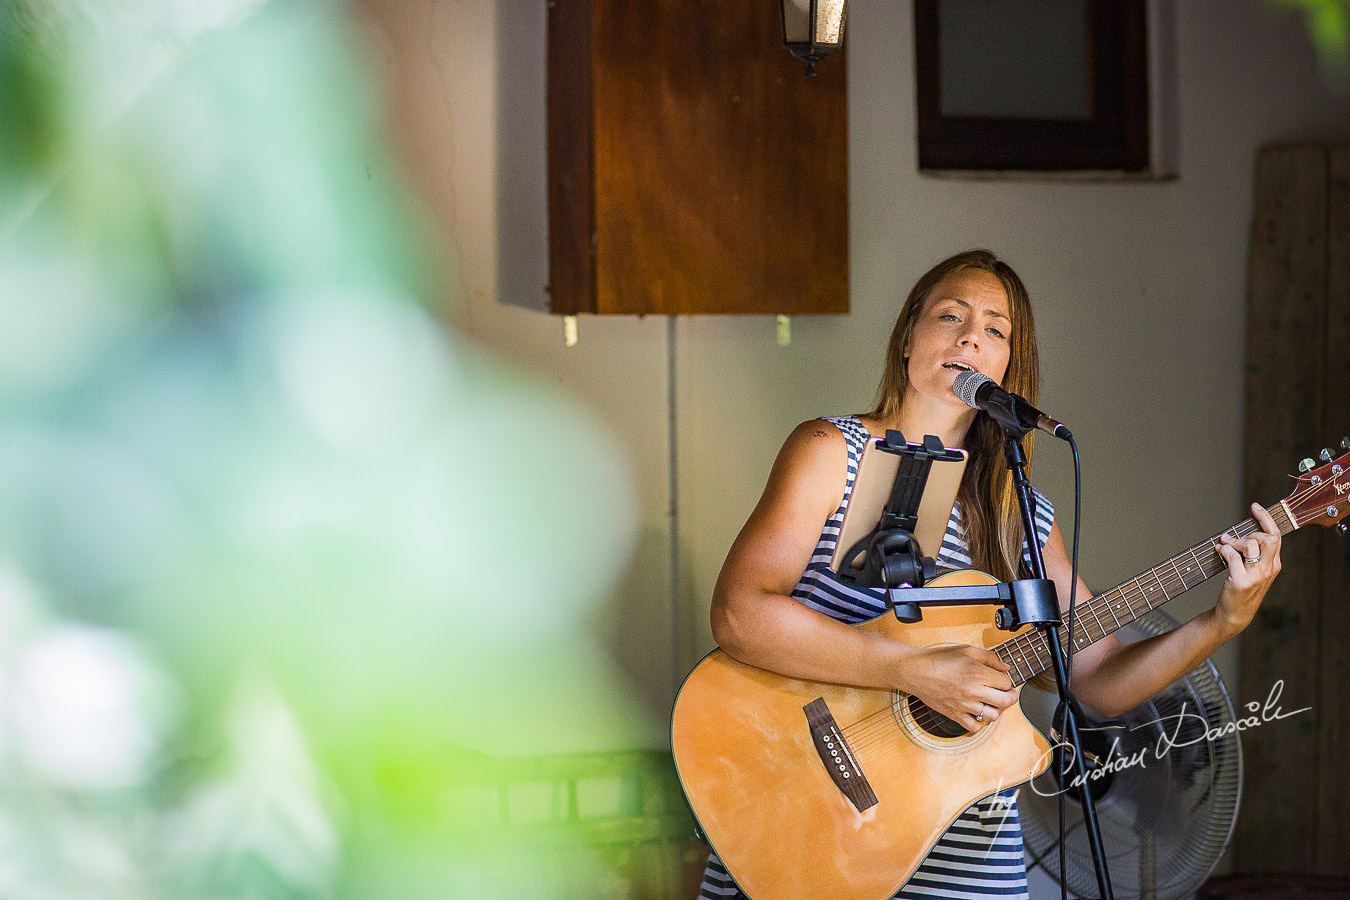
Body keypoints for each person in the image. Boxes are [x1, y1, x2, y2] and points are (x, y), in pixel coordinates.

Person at [694, 249, 1282, 900]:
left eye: (996, 329)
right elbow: (740, 614)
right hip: (808, 820)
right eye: (951, 315)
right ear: (909, 335)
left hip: (966, 861)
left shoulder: (1020, 514)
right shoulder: (833, 454)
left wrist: (1223, 620)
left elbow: (1096, 683)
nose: (972, 335)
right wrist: (909, 669)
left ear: (1007, 367)